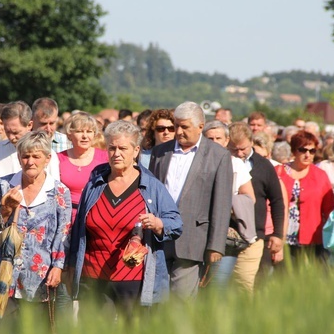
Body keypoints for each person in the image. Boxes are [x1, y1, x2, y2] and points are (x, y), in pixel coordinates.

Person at [68, 121, 182, 316]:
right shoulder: (95, 184)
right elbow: (78, 229)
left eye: (123, 148)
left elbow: (176, 224)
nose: (116, 153)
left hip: (133, 279)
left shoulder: (151, 187)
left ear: (136, 150)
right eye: (112, 148)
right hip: (93, 277)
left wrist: (157, 224)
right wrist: (70, 267)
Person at [149, 102, 232, 300]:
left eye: (184, 127)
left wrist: (216, 246)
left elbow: (221, 204)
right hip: (158, 238)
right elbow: (150, 193)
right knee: (156, 300)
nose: (178, 131)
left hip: (193, 239)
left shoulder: (218, 156)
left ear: (200, 127)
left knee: (182, 302)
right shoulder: (160, 152)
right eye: (176, 125)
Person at [0, 132, 71, 320]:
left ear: (47, 158)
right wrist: (7, 208)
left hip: (41, 276)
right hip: (6, 273)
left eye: (36, 156)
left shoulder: (58, 191)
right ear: (18, 158)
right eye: (25, 156)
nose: (30, 162)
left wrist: (58, 267)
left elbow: (63, 233)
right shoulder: (5, 185)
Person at [223, 122, 286, 290]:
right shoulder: (222, 163)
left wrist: (278, 234)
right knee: (221, 285)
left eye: (242, 148)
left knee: (243, 282)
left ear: (251, 141)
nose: (239, 153)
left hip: (254, 235)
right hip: (224, 234)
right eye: (233, 149)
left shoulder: (264, 166)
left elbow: (277, 200)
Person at [276, 131, 334, 263]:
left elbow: (330, 208)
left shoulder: (320, 175)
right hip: (282, 236)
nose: (308, 155)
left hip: (311, 238)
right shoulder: (279, 172)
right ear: (294, 151)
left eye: (312, 151)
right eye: (303, 150)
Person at [58, 112, 108, 222]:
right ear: (69, 134)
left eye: (89, 131)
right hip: (64, 218)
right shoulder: (58, 159)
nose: (85, 136)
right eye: (80, 131)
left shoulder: (105, 158)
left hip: (95, 217)